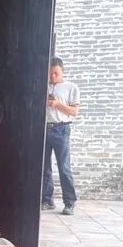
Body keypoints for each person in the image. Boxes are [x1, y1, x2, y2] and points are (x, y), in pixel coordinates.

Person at [43, 57, 80, 215]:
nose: (52, 76)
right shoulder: (43, 86)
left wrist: (57, 104)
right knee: (44, 167)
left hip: (62, 128)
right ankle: (47, 200)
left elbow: (74, 112)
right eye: (50, 73)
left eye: (56, 73)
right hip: (44, 128)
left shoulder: (71, 87)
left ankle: (69, 202)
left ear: (62, 71)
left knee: (64, 167)